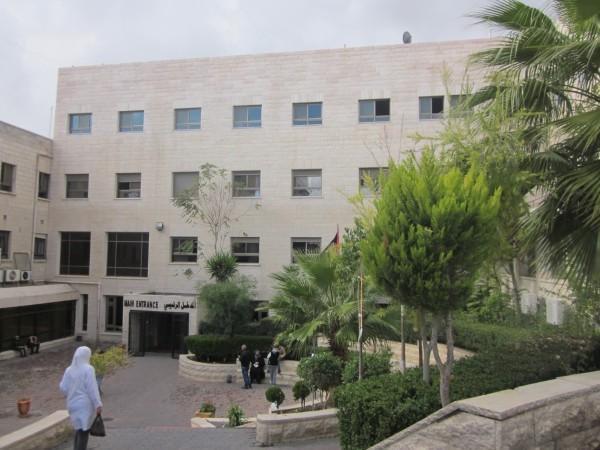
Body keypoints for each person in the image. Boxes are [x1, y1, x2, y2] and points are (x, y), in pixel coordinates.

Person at [59, 346, 103, 450]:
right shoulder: (88, 369)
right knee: (84, 431)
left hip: (72, 404)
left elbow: (63, 388)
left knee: (79, 429)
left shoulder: (69, 370)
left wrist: (72, 391)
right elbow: (92, 388)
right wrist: (98, 404)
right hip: (84, 405)